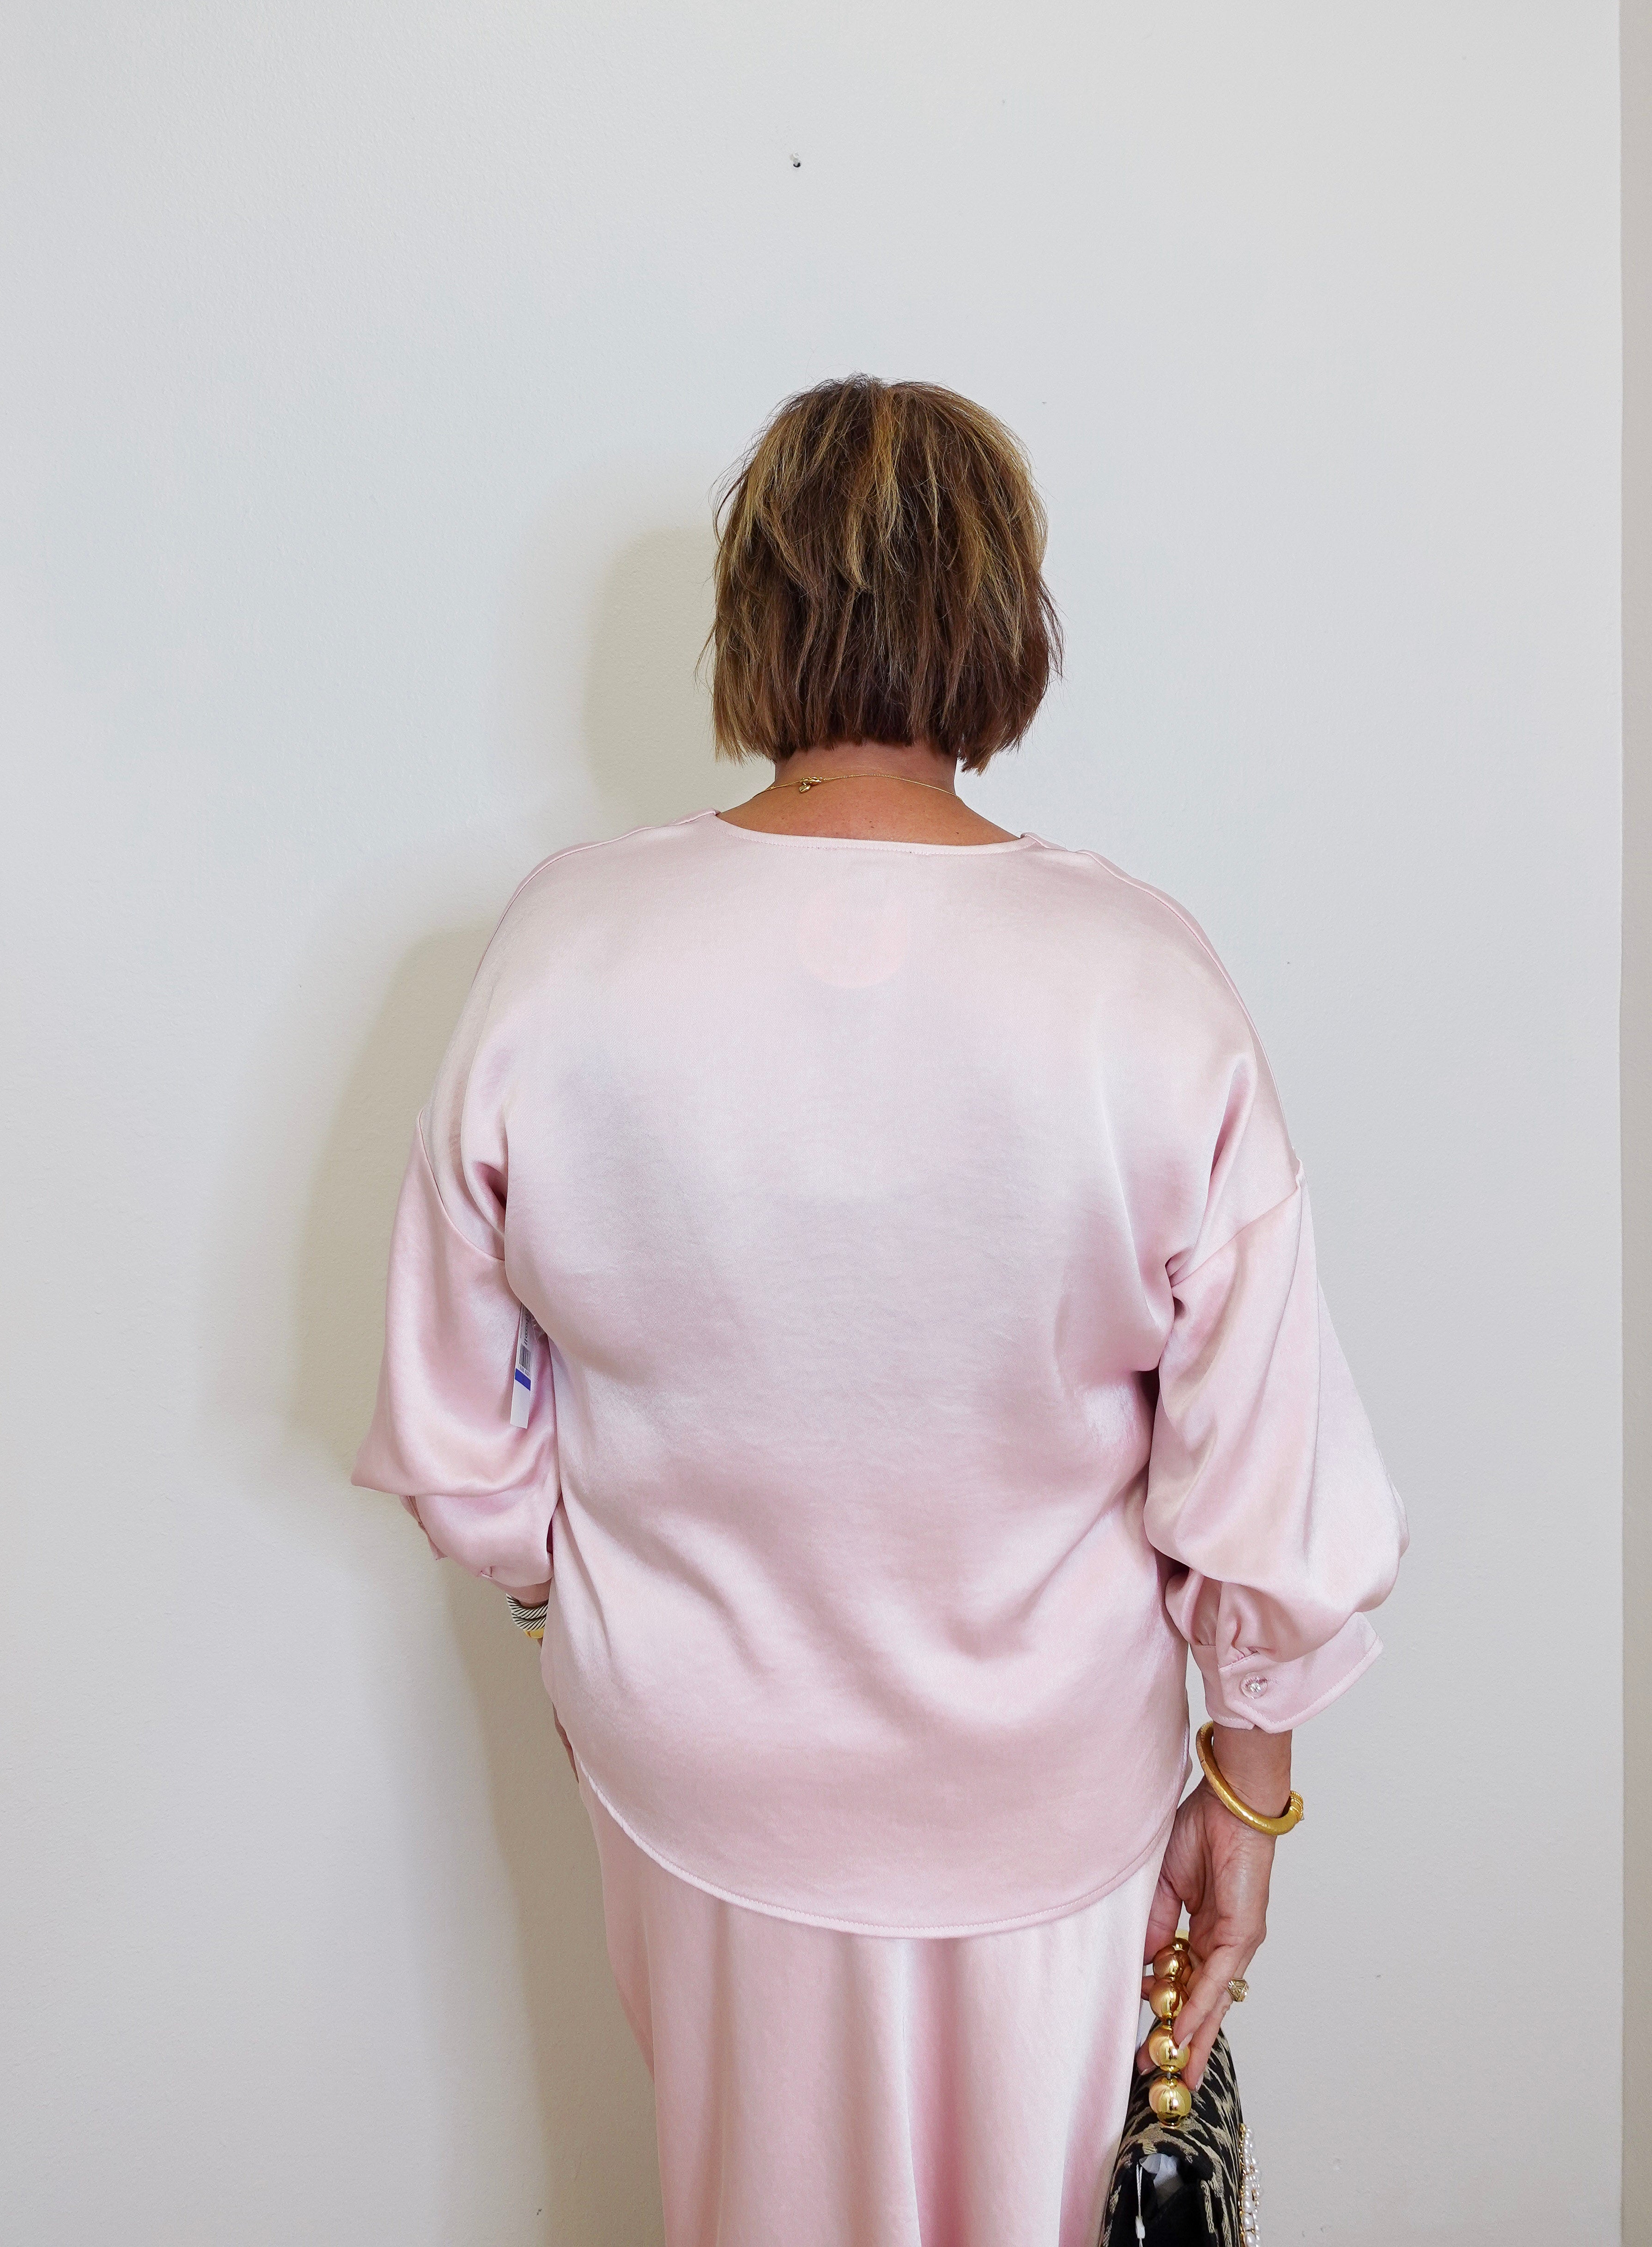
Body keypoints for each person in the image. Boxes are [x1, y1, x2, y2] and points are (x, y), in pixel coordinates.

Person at [352, 374, 1407, 2247]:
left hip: (693, 1765)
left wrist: (565, 1606)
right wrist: (1245, 1812)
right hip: (1046, 1783)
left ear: (754, 610)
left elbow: (458, 1428)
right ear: (1007, 618)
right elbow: (1265, 1476)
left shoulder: (564, 945)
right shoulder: (1139, 982)